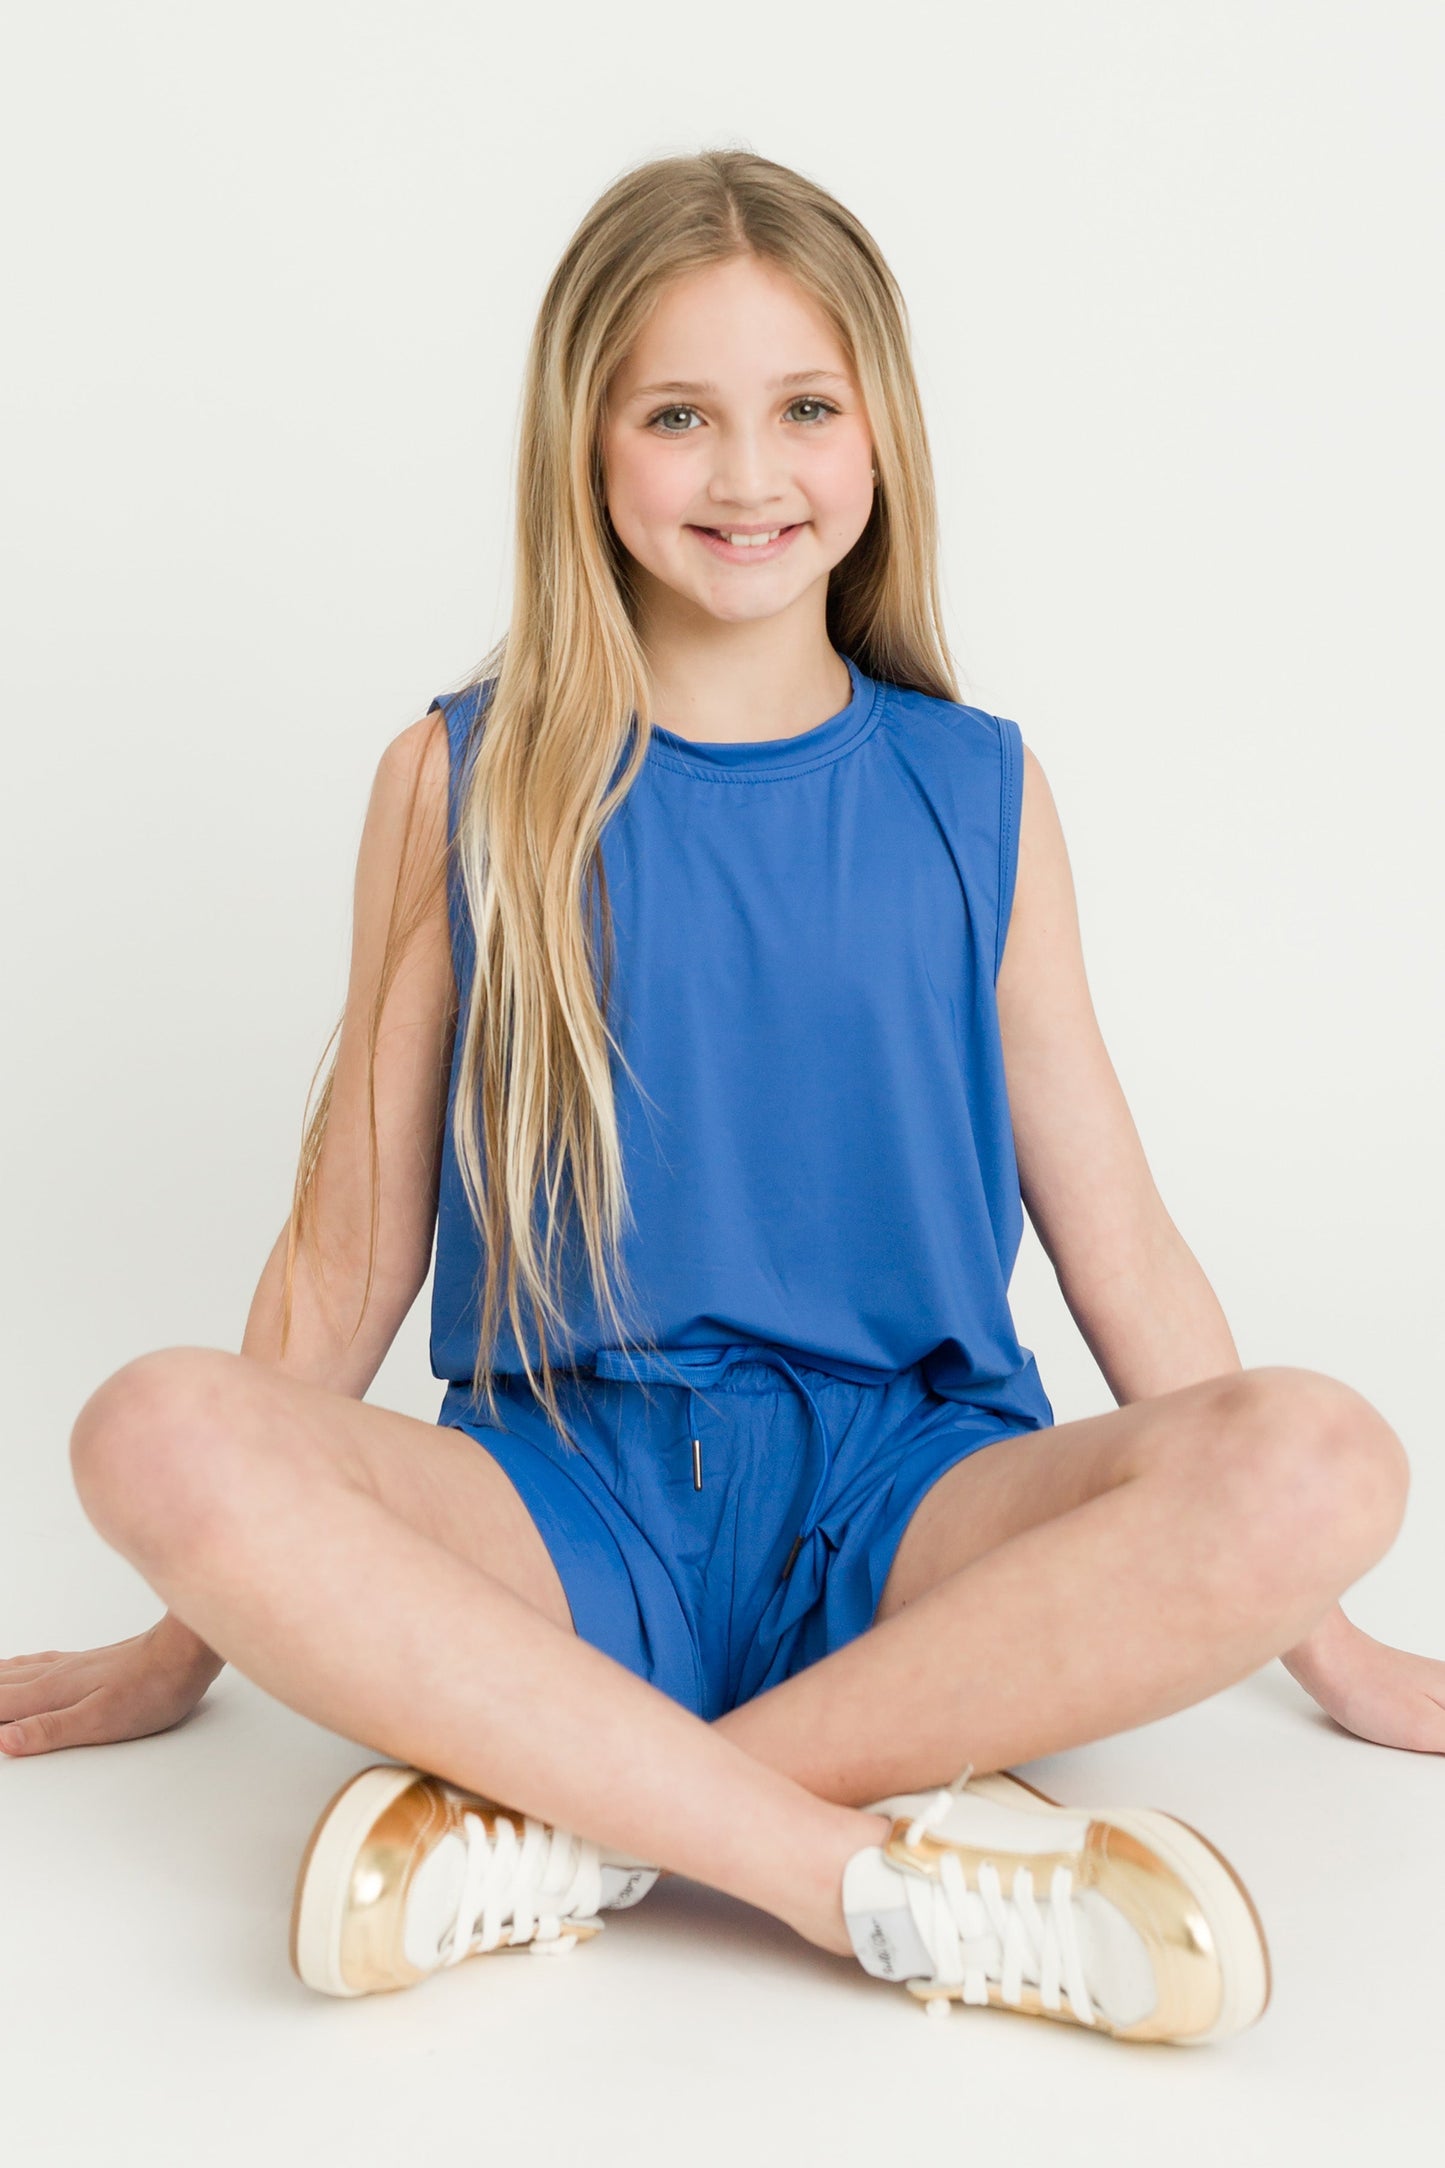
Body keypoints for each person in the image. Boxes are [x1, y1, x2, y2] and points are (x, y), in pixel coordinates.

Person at [3, 148, 1437, 2046]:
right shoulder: (463, 784)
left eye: (802, 409)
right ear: (586, 452)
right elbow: (344, 1256)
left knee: (1328, 1457)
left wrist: (1314, 1633)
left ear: (877, 435)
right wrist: (188, 1639)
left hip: (908, 1511)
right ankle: (839, 1875)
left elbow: (1124, 1245)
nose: (748, 475)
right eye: (679, 414)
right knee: (156, 1434)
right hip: (565, 1504)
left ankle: (581, 1827)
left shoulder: (975, 789)